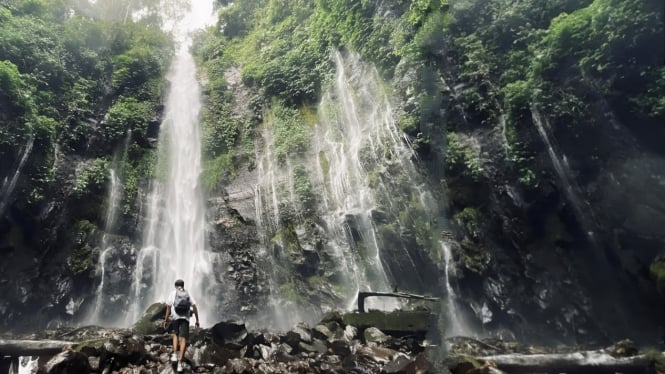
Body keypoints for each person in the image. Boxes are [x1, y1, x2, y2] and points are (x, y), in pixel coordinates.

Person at [163, 279, 200, 372]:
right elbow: (194, 306)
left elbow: (168, 307)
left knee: (175, 334)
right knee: (183, 339)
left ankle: (175, 354)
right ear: (183, 286)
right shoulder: (188, 293)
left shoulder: (173, 293)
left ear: (175, 286)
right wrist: (197, 320)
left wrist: (166, 319)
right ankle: (180, 363)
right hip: (185, 318)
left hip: (175, 317)